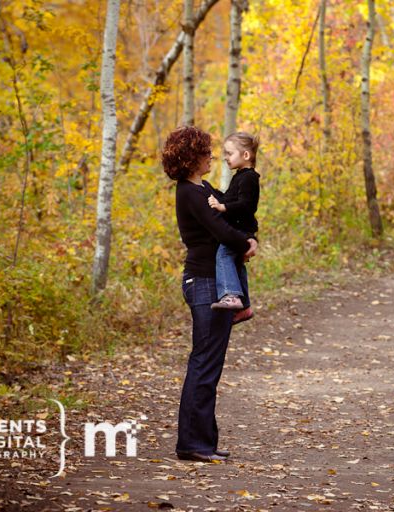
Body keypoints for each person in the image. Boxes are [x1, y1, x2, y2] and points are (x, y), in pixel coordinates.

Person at [162, 125, 257, 463]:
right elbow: (220, 229)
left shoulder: (202, 187)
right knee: (204, 362)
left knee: (209, 363)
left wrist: (247, 235)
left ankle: (202, 441)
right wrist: (247, 242)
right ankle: (193, 444)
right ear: (191, 157)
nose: (211, 156)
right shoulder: (189, 193)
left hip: (210, 282)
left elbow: (232, 211)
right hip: (202, 283)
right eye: (206, 152)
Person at [207, 132, 260, 325]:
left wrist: (223, 207)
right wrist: (212, 192)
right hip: (241, 229)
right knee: (237, 265)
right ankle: (244, 307)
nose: (226, 158)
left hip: (242, 230)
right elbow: (230, 198)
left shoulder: (249, 179)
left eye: (229, 154)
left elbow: (246, 205)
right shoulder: (241, 177)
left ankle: (231, 296)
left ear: (245, 155)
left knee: (223, 254)